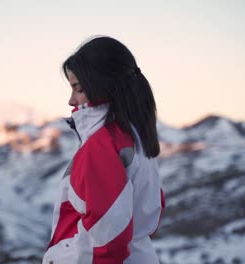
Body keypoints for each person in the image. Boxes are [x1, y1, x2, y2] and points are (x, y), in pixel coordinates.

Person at [42, 36, 166, 264]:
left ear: (102, 86)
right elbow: (151, 210)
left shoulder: (102, 145)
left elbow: (110, 241)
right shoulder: (136, 135)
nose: (71, 100)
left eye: (77, 88)